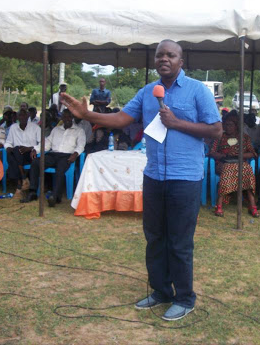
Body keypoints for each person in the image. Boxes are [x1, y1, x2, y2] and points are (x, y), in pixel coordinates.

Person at [61, 39, 222, 321]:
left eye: (171, 55)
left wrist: (177, 123)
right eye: (160, 55)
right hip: (154, 176)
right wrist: (87, 114)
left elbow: (217, 130)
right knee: (155, 238)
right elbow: (122, 119)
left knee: (180, 241)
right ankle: (161, 291)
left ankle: (185, 298)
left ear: (180, 62)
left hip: (185, 178)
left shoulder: (197, 91)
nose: (164, 59)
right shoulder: (148, 92)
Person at [21, 109, 86, 207]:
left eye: (69, 117)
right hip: (53, 154)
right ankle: (33, 192)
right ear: (62, 118)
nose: (67, 119)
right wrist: (36, 149)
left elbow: (81, 145)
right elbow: (47, 143)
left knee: (60, 170)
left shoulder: (79, 130)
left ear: (72, 118)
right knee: (36, 162)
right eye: (64, 117)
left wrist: (75, 154)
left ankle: (55, 197)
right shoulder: (56, 129)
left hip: (67, 156)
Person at [210, 114, 258, 217]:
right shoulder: (219, 137)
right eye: (225, 125)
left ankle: (252, 205)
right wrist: (225, 155)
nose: (227, 127)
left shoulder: (244, 137)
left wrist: (241, 154)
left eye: (230, 125)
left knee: (247, 170)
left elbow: (253, 153)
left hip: (240, 163)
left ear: (236, 125)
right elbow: (212, 152)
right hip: (224, 163)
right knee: (228, 168)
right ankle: (219, 205)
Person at [4, 109, 41, 196]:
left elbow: (42, 143)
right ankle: (22, 179)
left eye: (24, 115)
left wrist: (31, 148)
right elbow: (8, 141)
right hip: (17, 153)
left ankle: (20, 182)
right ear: (17, 117)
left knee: (14, 154)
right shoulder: (13, 127)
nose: (22, 117)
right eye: (20, 115)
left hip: (30, 154)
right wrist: (8, 147)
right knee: (14, 151)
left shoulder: (35, 127)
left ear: (28, 116)